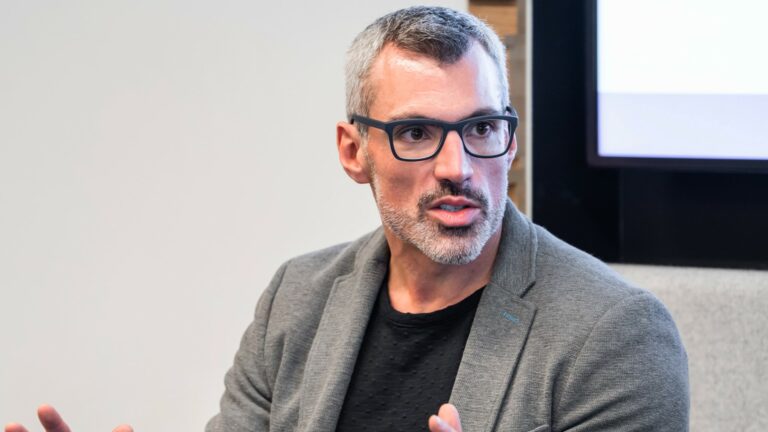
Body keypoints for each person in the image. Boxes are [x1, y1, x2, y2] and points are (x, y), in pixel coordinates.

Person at [4, 6, 689, 432]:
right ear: (353, 150)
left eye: (481, 127)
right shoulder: (295, 299)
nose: (457, 165)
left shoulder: (614, 335)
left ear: (510, 139)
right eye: (417, 132)